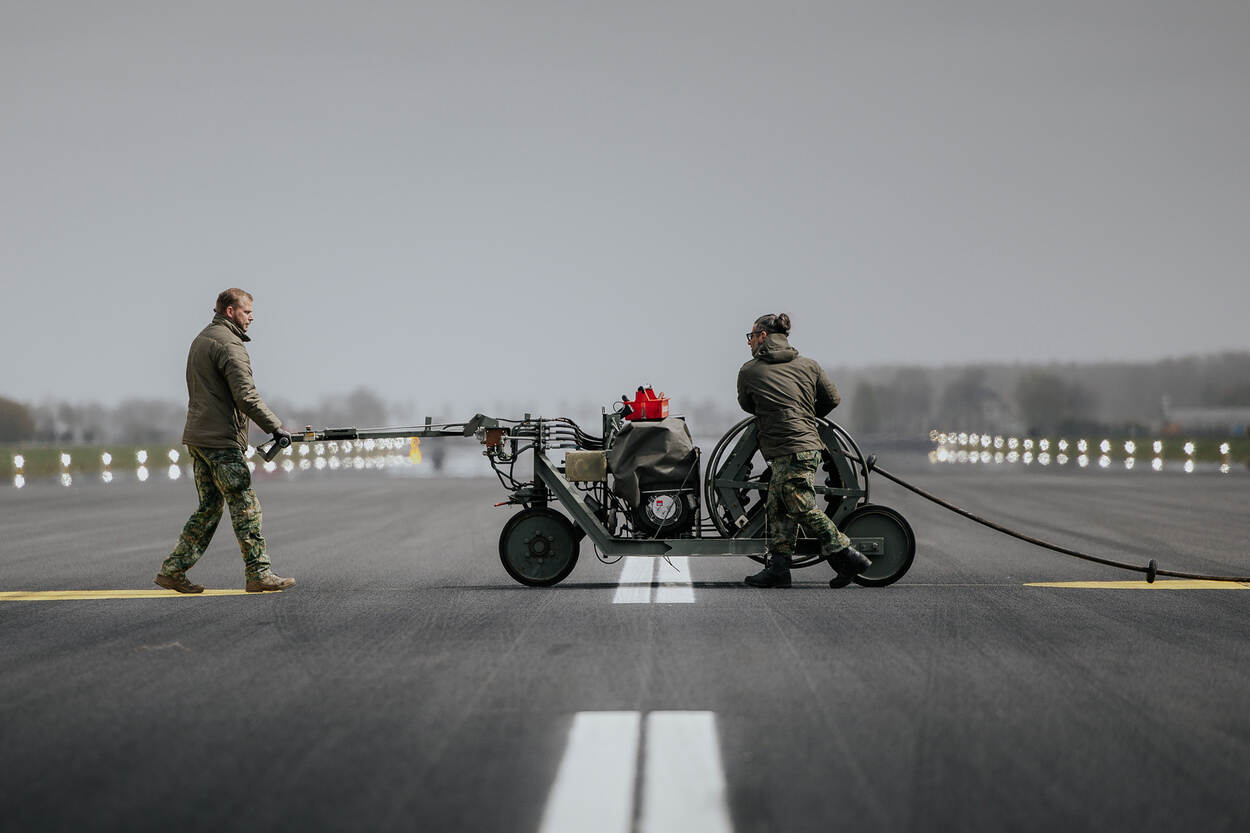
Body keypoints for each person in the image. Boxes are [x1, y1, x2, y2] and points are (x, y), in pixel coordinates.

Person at [154, 289, 296, 594]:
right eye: (247, 312)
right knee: (245, 504)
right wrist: (275, 427)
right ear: (230, 311)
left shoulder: (202, 339)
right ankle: (258, 572)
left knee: (209, 507)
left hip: (199, 437)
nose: (252, 318)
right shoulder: (230, 345)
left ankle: (173, 570)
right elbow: (245, 395)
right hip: (220, 441)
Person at [737, 313, 871, 589]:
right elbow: (832, 398)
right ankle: (779, 567)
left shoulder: (750, 371)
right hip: (806, 445)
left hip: (790, 448)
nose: (749, 342)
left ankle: (848, 554)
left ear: (763, 336)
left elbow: (747, 405)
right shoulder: (810, 366)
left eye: (750, 336)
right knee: (778, 507)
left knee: (800, 505)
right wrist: (806, 416)